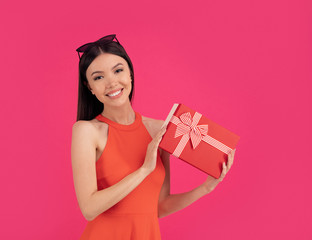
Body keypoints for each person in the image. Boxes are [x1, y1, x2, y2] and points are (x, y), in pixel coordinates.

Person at [71, 34, 235, 240]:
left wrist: (205, 188)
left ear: (130, 73)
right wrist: (144, 170)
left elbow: (159, 206)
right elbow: (89, 208)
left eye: (118, 70)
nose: (112, 82)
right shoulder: (86, 131)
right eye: (98, 77)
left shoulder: (160, 129)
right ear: (90, 87)